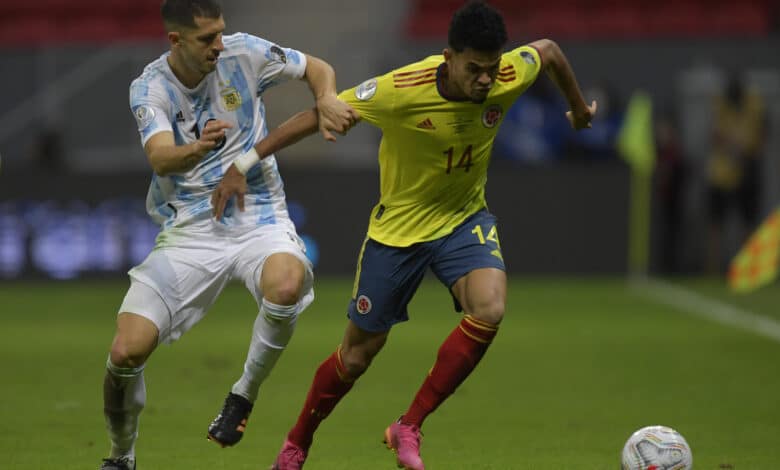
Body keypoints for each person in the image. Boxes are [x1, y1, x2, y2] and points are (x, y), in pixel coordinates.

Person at [213, 2, 596, 469]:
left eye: (491, 69)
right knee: (356, 357)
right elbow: (317, 115)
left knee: (490, 307)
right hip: (399, 233)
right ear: (447, 57)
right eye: (473, 69)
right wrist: (244, 164)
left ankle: (408, 425)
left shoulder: (508, 74)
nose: (484, 80)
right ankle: (297, 443)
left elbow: (550, 51)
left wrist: (577, 110)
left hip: (463, 219)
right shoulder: (400, 89)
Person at [99, 1, 356, 469]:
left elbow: (317, 68)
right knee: (125, 351)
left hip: (258, 214)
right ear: (176, 41)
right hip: (191, 229)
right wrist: (197, 149)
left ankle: (243, 394)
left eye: (221, 32)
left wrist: (328, 96)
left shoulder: (245, 54)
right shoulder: (150, 87)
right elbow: (160, 158)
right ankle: (121, 456)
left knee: (285, 283)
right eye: (206, 38)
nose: (220, 44)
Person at [706, 73, 766, 273]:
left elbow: (762, 135)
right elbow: (714, 135)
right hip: (721, 172)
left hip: (746, 171)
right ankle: (713, 268)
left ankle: (746, 267)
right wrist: (731, 146)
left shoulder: (754, 105)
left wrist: (745, 152)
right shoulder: (720, 105)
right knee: (716, 223)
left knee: (746, 222)